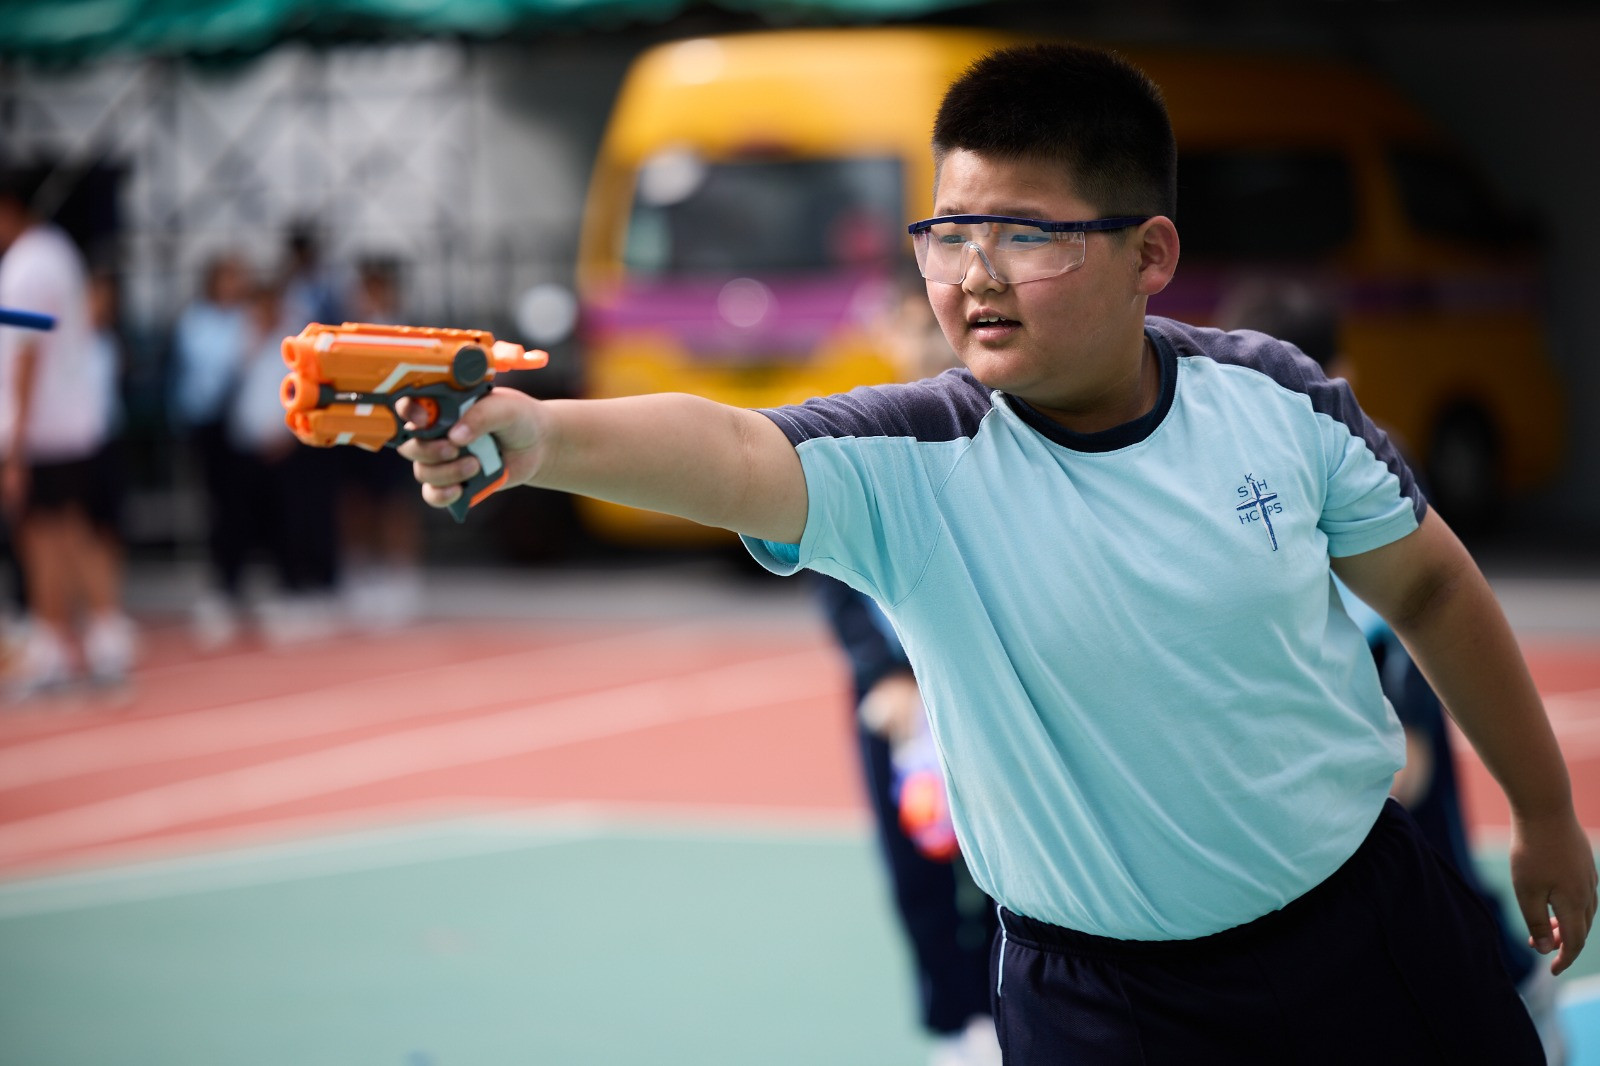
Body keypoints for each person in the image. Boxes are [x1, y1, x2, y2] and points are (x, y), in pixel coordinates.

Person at [402, 44, 1594, 1062]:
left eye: (1025, 235)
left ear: (1150, 254)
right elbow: (727, 448)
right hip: (1101, 1008)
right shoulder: (911, 460)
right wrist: (539, 435)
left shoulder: (1276, 401)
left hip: (1366, 930)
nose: (973, 275)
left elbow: (1431, 585)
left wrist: (1543, 811)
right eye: (948, 234)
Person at [1216, 277, 1565, 1063]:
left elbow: (1419, 621)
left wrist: (1403, 740)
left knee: (1434, 888)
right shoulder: (1229, 470)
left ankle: (1518, 990)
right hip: (1316, 748)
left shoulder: (1369, 459)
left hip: (1380, 723)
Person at [814, 264, 999, 1066]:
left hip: (982, 693)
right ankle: (954, 1026)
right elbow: (830, 568)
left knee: (1002, 864)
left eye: (933, 324)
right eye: (908, 324)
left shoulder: (996, 428)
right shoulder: (859, 434)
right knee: (914, 872)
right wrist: (881, 674)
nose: (923, 341)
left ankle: (1007, 1013)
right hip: (895, 704)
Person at [0, 172, 136, 698]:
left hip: (44, 426)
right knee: (66, 532)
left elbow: (26, 352)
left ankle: (70, 642)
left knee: (47, 536)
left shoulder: (27, 265)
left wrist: (15, 442)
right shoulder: (57, 252)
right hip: (71, 420)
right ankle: (87, 639)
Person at [170, 252, 255, 647]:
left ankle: (240, 583)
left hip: (243, 425)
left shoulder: (246, 317)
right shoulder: (197, 321)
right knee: (218, 508)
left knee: (244, 507)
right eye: (228, 277)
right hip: (209, 425)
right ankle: (222, 586)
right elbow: (210, 369)